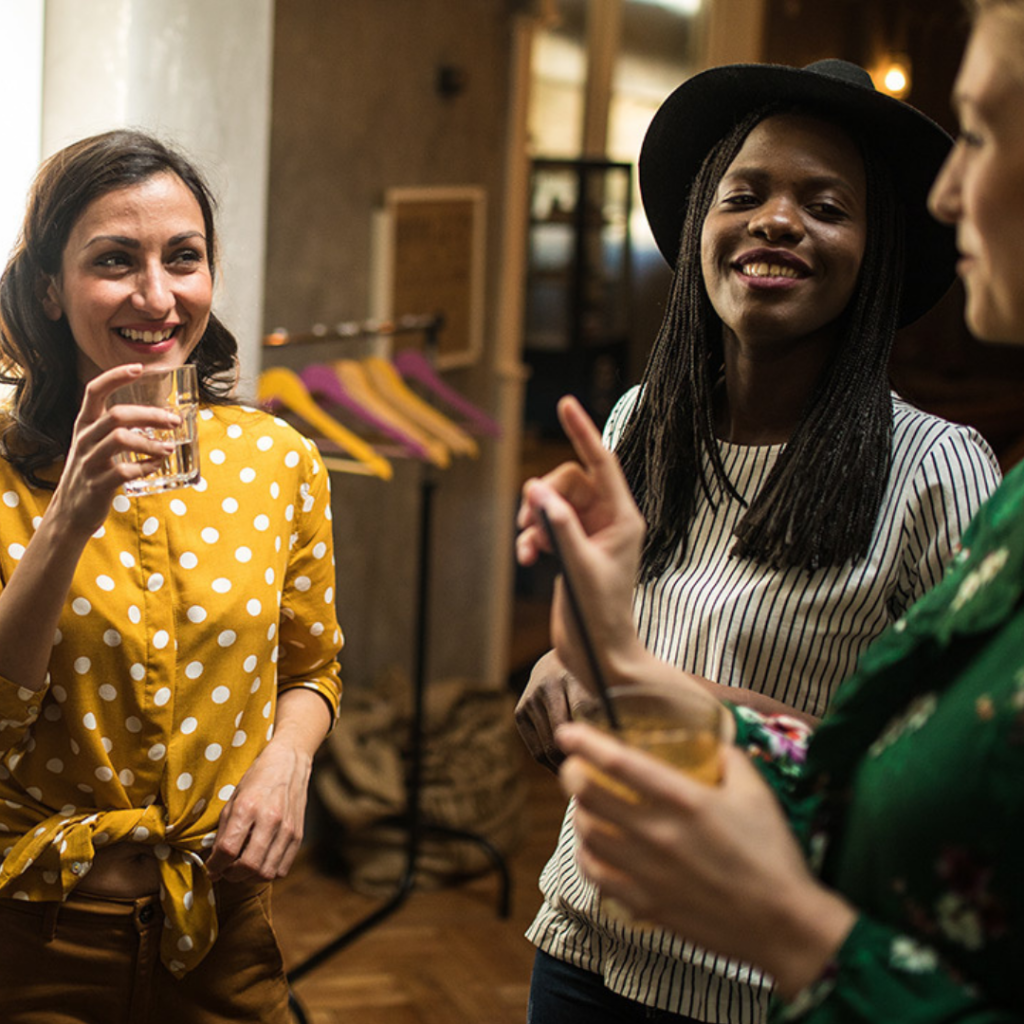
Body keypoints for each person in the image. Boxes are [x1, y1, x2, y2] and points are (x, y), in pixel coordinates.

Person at [520, 0, 1024, 1019]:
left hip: (761, 978)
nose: (776, 221)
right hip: (585, 941)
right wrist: (573, 668)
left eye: (825, 206)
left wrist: (642, 689)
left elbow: (913, 774)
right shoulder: (638, 420)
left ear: (873, 253)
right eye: (743, 194)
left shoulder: (940, 470)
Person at [0, 130, 343, 1022]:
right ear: (50, 288)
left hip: (223, 934)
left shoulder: (278, 461)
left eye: (183, 258)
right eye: (115, 260)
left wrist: (289, 758)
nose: (157, 297)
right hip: (36, 934)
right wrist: (67, 518)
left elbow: (312, 670)